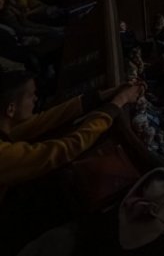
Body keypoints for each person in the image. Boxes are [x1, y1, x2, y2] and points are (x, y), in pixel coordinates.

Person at [0, 72, 144, 202]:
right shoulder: (4, 155)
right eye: (31, 96)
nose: (35, 99)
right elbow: (66, 148)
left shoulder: (5, 127)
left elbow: (44, 120)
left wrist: (106, 95)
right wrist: (118, 102)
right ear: (11, 109)